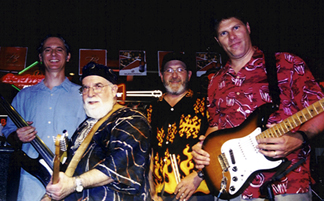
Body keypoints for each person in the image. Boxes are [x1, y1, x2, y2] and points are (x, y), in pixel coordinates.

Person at [192, 9, 324, 201]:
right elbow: (215, 127)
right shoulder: (215, 81)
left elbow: (319, 109)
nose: (232, 37)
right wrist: (204, 152)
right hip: (232, 187)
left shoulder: (287, 63)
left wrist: (300, 138)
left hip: (286, 185)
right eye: (224, 33)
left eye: (236, 27)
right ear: (217, 40)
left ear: (248, 28)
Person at [42, 62, 151, 201]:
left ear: (113, 90)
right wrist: (49, 196)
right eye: (85, 88)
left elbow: (118, 164)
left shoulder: (130, 119)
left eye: (98, 86)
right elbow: (68, 168)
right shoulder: (85, 125)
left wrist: (75, 183)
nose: (90, 93)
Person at [2, 34, 86, 201]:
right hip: (30, 183)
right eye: (47, 50)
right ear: (40, 57)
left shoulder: (82, 95)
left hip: (70, 184)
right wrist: (17, 136)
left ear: (68, 56)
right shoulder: (24, 95)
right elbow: (8, 131)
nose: (53, 54)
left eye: (59, 50)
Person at [146, 52, 214, 201]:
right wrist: (150, 185)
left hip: (197, 190)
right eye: (169, 70)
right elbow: (149, 150)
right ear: (161, 75)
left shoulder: (205, 105)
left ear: (189, 75)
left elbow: (217, 145)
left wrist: (199, 175)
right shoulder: (151, 109)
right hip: (160, 194)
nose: (174, 75)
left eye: (180, 70)